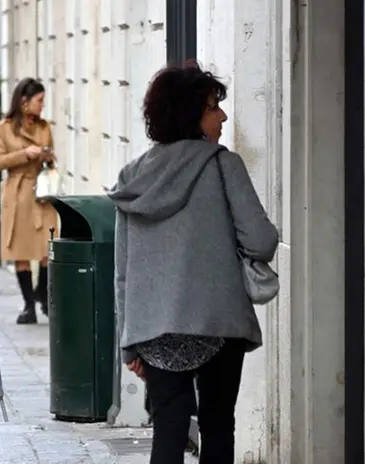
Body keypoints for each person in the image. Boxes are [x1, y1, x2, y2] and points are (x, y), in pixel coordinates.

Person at [106, 63, 279, 463]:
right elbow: (263, 241)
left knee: (168, 429)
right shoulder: (222, 165)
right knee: (218, 426)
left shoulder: (133, 178)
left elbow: (123, 269)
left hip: (155, 329)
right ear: (192, 115)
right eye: (213, 107)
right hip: (217, 322)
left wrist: (128, 344)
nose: (223, 116)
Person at [0, 77, 58, 324]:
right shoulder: (4, 127)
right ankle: (29, 305)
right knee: (20, 250)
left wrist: (47, 156)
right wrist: (24, 154)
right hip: (18, 194)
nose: (42, 106)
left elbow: (52, 156)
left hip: (41, 193)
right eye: (39, 101)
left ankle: (43, 294)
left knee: (46, 247)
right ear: (24, 101)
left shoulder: (44, 127)